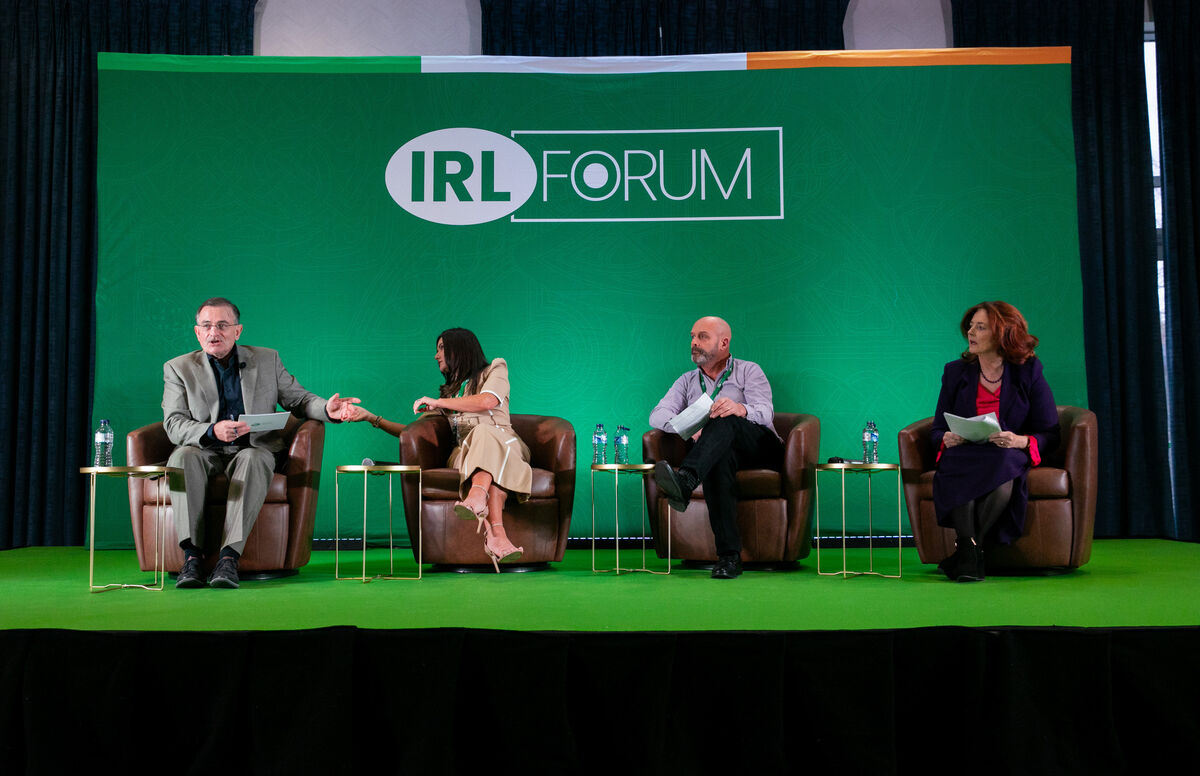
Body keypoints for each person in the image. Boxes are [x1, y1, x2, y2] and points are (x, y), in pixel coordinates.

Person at [163, 297, 359, 589]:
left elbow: (300, 399)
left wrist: (327, 410)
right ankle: (192, 559)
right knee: (181, 458)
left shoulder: (267, 359)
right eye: (206, 326)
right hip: (204, 449)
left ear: (238, 331)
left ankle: (229, 559)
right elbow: (174, 423)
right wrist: (213, 430)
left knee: (255, 459)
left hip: (252, 449)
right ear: (197, 332)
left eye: (222, 325)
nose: (213, 332)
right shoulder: (178, 368)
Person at [343, 328, 531, 572]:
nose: (436, 355)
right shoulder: (451, 394)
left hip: (507, 445)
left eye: (441, 348)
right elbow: (411, 433)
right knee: (484, 456)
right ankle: (493, 527)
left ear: (459, 349)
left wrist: (439, 402)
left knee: (486, 438)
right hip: (465, 455)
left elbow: (487, 401)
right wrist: (371, 418)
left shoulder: (495, 369)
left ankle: (482, 506)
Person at [929, 300, 1060, 582]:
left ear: (1002, 334)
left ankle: (966, 552)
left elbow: (1049, 431)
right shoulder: (955, 372)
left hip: (1007, 451)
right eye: (970, 327)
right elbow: (938, 428)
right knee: (954, 460)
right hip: (967, 451)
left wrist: (1019, 441)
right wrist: (947, 437)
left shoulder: (1029, 371)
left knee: (1003, 461)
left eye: (980, 327)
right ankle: (972, 553)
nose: (970, 333)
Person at [649, 316, 783, 579]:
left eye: (702, 336)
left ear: (724, 343)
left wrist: (740, 408)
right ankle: (729, 558)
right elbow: (657, 415)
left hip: (760, 448)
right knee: (717, 457)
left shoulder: (749, 370)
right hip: (719, 452)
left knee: (725, 417)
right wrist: (691, 427)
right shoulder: (686, 381)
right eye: (692, 336)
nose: (694, 343)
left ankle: (685, 480)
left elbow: (766, 413)